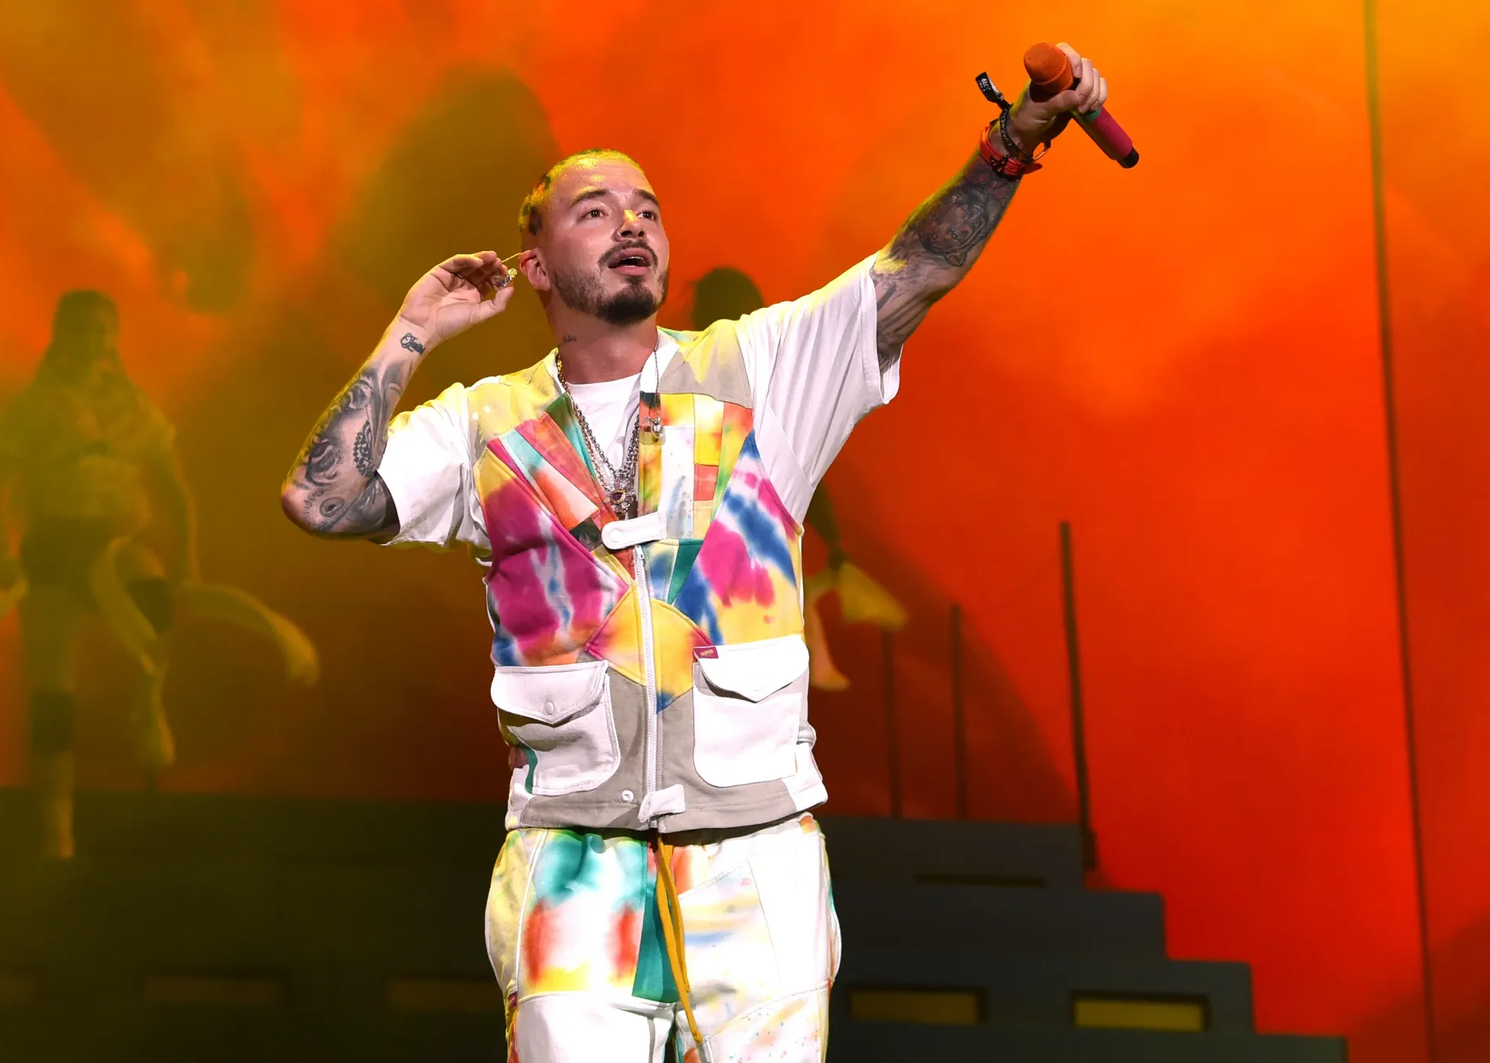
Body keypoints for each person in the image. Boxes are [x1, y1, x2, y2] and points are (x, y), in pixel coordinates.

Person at [281, 43, 1107, 1063]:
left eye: (647, 209)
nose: (631, 223)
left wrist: (1010, 144)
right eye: (595, 211)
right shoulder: (484, 424)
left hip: (754, 855)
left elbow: (916, 267)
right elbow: (321, 498)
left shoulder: (759, 368)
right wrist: (411, 331)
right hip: (572, 863)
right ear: (533, 264)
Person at [0, 290, 194, 858]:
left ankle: (148, 705)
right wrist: (2, 554)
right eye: (78, 329)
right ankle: (58, 832)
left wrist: (188, 560)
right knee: (53, 691)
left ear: (112, 339)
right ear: (59, 336)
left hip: (114, 541)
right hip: (54, 545)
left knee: (155, 603)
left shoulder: (132, 408)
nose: (90, 341)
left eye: (100, 330)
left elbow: (175, 490)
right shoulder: (33, 407)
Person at [690, 268, 907, 691]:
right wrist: (834, 540)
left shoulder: (700, 367)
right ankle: (811, 663)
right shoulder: (768, 362)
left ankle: (810, 662)